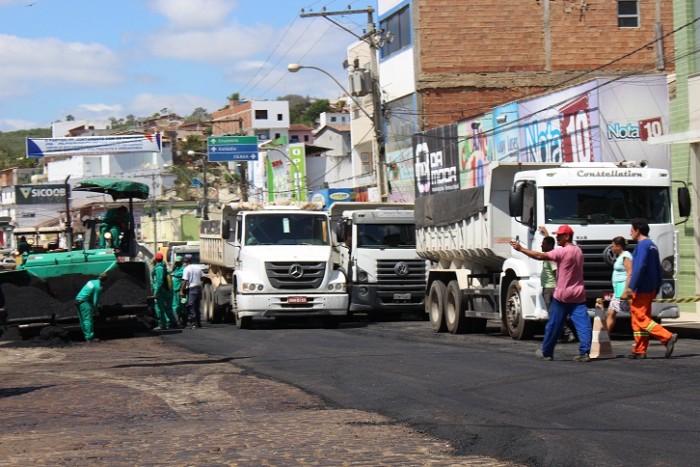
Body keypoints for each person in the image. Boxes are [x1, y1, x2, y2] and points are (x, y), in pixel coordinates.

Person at [510, 225, 592, 362]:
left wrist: (521, 249)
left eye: (559, 236)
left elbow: (539, 255)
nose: (557, 237)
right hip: (578, 294)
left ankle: (547, 352)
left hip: (562, 294)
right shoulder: (578, 251)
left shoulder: (562, 252)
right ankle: (586, 351)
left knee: (554, 324)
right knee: (583, 324)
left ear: (567, 237)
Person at [622, 219, 678, 359]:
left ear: (637, 231)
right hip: (650, 288)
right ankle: (640, 350)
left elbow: (639, 267)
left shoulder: (642, 245)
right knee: (638, 319)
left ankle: (667, 337)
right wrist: (657, 286)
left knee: (640, 318)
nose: (630, 232)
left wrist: (631, 287)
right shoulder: (652, 245)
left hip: (641, 288)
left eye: (631, 229)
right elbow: (658, 269)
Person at [538, 226, 575, 344]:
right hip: (548, 288)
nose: (541, 246)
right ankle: (561, 334)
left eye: (543, 244)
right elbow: (551, 242)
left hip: (551, 288)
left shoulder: (551, 258)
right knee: (553, 313)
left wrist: (559, 287)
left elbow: (556, 273)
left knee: (554, 313)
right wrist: (545, 234)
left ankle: (566, 334)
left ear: (549, 246)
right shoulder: (550, 255)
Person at [606, 236, 632, 334]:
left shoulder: (626, 256)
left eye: (613, 246)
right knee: (610, 313)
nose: (611, 248)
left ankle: (663, 335)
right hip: (618, 291)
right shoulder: (621, 256)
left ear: (618, 246)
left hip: (623, 291)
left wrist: (626, 290)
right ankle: (604, 338)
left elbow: (630, 272)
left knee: (636, 316)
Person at [74, 273, 108, 342]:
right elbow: (95, 300)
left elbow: (87, 292)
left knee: (82, 320)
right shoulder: (98, 287)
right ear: (105, 281)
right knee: (88, 320)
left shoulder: (91, 281)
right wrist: (96, 309)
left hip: (77, 300)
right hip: (84, 302)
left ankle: (86, 336)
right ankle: (90, 338)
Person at [151, 252, 178, 330]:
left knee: (159, 308)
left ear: (156, 259)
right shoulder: (163, 267)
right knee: (168, 308)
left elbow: (159, 282)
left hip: (162, 292)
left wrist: (156, 292)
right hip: (167, 291)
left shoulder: (159, 268)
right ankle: (173, 322)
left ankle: (162, 324)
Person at [181, 254, 204, 329]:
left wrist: (182, 290)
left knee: (191, 306)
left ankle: (193, 323)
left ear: (185, 261)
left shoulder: (186, 269)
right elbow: (202, 278)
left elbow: (185, 281)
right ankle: (198, 322)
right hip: (198, 288)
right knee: (197, 305)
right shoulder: (198, 267)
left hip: (191, 289)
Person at [170, 255, 187, 326]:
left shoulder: (184, 269)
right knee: (175, 306)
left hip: (180, 290)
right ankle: (177, 320)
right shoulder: (175, 268)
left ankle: (183, 320)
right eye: (176, 262)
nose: (177, 263)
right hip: (174, 290)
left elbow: (183, 279)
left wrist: (181, 290)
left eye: (178, 262)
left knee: (182, 305)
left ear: (181, 262)